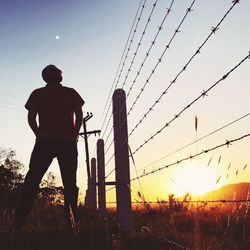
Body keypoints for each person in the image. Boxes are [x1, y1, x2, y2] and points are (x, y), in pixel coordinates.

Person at [14, 65, 84, 229]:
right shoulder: (38, 93)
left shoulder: (70, 92)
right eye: (51, 72)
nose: (54, 74)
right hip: (47, 143)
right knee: (32, 181)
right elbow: (31, 116)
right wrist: (38, 134)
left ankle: (72, 223)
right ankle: (18, 223)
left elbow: (79, 113)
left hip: (65, 143)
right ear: (46, 76)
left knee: (69, 184)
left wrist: (74, 134)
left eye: (56, 71)